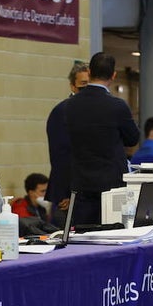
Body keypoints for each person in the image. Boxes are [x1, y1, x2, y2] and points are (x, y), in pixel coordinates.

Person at [64, 52, 141, 224]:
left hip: (81, 183)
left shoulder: (70, 105)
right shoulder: (117, 106)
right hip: (112, 184)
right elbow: (132, 139)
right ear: (113, 76)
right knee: (113, 234)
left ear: (89, 72)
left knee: (84, 237)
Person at [45, 61, 89, 224]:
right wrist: (67, 194)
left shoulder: (94, 110)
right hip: (69, 197)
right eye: (83, 84)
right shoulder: (62, 111)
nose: (87, 88)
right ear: (72, 86)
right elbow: (60, 156)